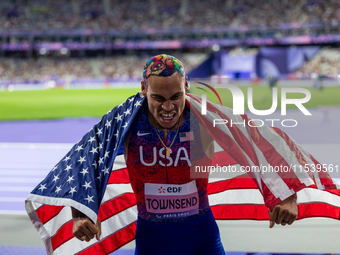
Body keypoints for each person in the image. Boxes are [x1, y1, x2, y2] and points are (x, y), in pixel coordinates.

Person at [71, 54, 299, 254]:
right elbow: (88, 159)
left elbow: (259, 143)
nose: (168, 107)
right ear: (144, 89)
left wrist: (287, 196)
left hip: (202, 240)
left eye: (176, 97)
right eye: (158, 98)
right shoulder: (126, 123)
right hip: (152, 242)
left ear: (186, 85)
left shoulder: (206, 117)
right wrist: (80, 212)